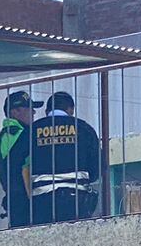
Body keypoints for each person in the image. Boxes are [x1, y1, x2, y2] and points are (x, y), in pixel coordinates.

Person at [28, 91, 102, 224]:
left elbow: (14, 161)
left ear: (47, 111)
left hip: (42, 200)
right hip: (76, 199)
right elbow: (99, 166)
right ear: (71, 109)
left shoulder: (32, 130)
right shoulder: (84, 128)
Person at [0, 90, 38, 228]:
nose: (34, 112)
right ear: (15, 112)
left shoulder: (8, 135)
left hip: (18, 198)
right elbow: (21, 164)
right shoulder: (15, 134)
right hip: (22, 199)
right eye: (29, 108)